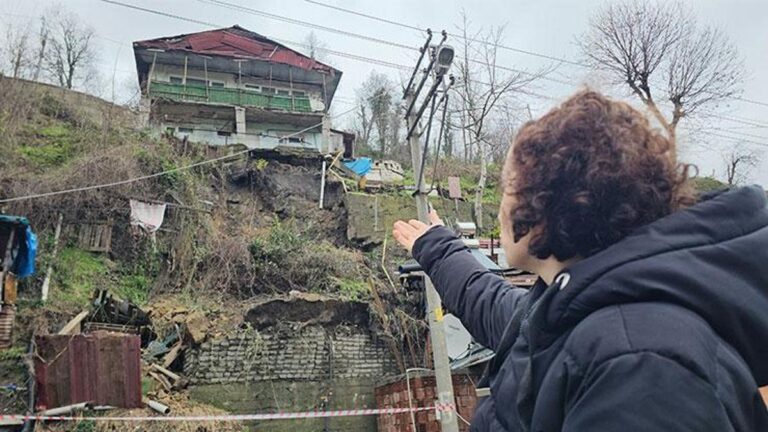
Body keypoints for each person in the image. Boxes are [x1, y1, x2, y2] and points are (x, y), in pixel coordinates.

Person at [392, 90, 768, 431]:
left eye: (508, 185)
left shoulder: (637, 362)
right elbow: (490, 303)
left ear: (547, 199)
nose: (501, 205)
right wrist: (437, 246)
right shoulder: (575, 314)